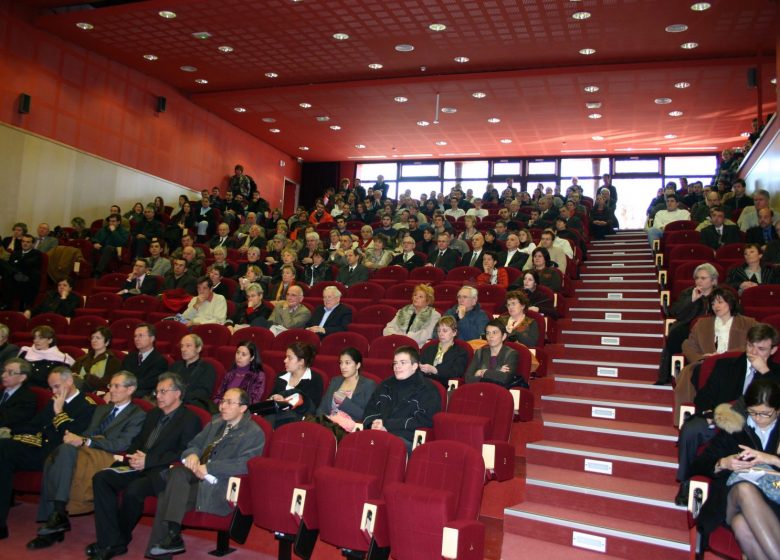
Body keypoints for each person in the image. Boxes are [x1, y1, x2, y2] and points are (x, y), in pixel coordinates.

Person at [27, 371, 145, 550]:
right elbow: (87, 432)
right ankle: (57, 517)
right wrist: (83, 439)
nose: (111, 390)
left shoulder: (138, 414)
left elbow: (122, 443)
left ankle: (57, 518)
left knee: (62, 453)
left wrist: (87, 441)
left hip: (108, 456)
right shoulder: (102, 408)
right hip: (88, 450)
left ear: (131, 389)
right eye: (110, 386)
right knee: (57, 455)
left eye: (116, 386)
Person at [89, 372, 201, 560]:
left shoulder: (190, 419)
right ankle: (109, 539)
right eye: (157, 391)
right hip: (137, 465)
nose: (158, 395)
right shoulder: (153, 414)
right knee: (101, 478)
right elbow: (139, 441)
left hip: (161, 472)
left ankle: (118, 541)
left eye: (163, 391)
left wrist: (148, 461)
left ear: (178, 393)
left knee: (134, 490)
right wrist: (133, 456)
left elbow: (183, 452)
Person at [145, 387, 264, 558]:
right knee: (177, 473)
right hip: (193, 475)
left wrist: (210, 467)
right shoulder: (215, 423)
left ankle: (169, 541)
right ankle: (173, 536)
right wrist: (192, 454)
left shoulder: (253, 432)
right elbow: (193, 444)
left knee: (166, 496)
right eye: (222, 401)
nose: (223, 406)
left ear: (243, 408)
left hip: (216, 484)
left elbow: (246, 464)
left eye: (229, 403)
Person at [675, 323, 780, 505]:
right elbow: (704, 396)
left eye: (761, 348)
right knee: (691, 429)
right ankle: (687, 481)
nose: (753, 352)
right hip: (720, 418)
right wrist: (711, 413)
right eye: (750, 346)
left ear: (773, 350)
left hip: (755, 425)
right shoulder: (725, 364)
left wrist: (764, 371)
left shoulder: (776, 374)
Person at [0, 366, 96, 541]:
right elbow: (35, 425)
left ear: (69, 382)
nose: (54, 391)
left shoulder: (87, 405)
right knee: (3, 451)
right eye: (51, 388)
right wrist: (11, 432)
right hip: (36, 447)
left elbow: (71, 435)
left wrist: (59, 411)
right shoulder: (54, 400)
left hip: (57, 453)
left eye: (57, 386)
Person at [691, 378, 780, 556]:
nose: (757, 418)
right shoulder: (736, 428)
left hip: (773, 502)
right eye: (752, 412)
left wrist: (769, 458)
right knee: (744, 489)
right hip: (732, 501)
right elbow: (699, 464)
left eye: (765, 414)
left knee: (741, 525)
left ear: (778, 410)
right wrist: (724, 463)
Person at [673, 288, 757, 419]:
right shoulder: (702, 323)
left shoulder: (748, 323)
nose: (716, 306)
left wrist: (724, 356)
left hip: (735, 364)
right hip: (705, 364)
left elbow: (755, 344)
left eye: (720, 302)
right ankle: (694, 416)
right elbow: (688, 345)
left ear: (730, 303)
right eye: (713, 304)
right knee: (693, 374)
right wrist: (701, 358)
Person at [363, 346, 442, 453]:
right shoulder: (386, 384)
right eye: (395, 363)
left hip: (406, 439)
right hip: (377, 433)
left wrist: (387, 425)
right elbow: (370, 409)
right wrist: (373, 424)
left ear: (414, 366)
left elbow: (424, 420)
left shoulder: (427, 390)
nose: (397, 367)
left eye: (403, 362)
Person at [655, 263, 720, 384]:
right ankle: (671, 375)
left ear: (713, 281)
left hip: (715, 329)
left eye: (703, 278)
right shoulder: (688, 293)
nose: (699, 281)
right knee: (675, 334)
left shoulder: (721, 295)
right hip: (689, 326)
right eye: (697, 278)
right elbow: (674, 312)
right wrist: (692, 300)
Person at [315, 348, 377, 431]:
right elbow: (322, 408)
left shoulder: (368, 385)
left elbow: (368, 416)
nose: (343, 367)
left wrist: (344, 402)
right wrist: (324, 421)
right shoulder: (335, 381)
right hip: (329, 426)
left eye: (347, 363)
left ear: (358, 365)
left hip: (352, 430)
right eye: (341, 363)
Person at [266, 342, 323, 427]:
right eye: (286, 357)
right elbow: (270, 400)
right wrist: (273, 398)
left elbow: (311, 409)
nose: (285, 360)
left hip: (299, 424)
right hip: (276, 419)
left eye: (289, 358)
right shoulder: (281, 376)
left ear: (301, 362)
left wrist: (284, 402)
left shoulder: (315, 379)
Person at [464, 319, 520, 387]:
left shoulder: (511, 354)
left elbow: (505, 379)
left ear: (504, 336)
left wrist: (482, 372)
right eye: (488, 333)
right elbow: (467, 378)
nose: (491, 336)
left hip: (498, 393)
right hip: (478, 390)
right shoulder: (480, 352)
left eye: (494, 332)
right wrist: (497, 372)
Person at [169, 334, 216, 411]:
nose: (183, 349)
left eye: (188, 346)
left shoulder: (207, 369)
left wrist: (177, 397)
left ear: (198, 348)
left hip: (189, 407)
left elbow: (202, 394)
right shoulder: (175, 366)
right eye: (182, 346)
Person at [418, 316, 469, 386]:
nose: (441, 334)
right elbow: (420, 365)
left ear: (454, 332)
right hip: (424, 383)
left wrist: (435, 370)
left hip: (444, 385)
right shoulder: (429, 348)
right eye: (439, 331)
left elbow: (456, 372)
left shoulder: (461, 352)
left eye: (445, 331)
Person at [121, 324, 168, 398]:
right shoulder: (129, 357)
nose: (137, 339)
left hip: (143, 397)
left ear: (152, 338)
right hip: (125, 392)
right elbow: (121, 376)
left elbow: (148, 384)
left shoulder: (160, 361)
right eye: (135, 336)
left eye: (140, 335)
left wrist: (124, 391)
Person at [71, 326, 122, 391]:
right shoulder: (82, 359)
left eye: (98, 338)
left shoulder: (114, 362)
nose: (94, 340)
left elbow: (108, 383)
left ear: (107, 342)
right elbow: (72, 372)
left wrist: (88, 377)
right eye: (92, 338)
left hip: (96, 392)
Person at [0, 234, 42, 311]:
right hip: (14, 278)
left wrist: (16, 265)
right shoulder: (16, 253)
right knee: (2, 263)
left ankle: (6, 303)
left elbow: (27, 264)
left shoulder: (36, 253)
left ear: (32, 244)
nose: (25, 243)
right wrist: (15, 271)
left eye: (28, 242)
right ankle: (6, 303)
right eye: (23, 241)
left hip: (27, 278)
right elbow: (10, 265)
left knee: (9, 273)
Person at [0, 358, 37, 432]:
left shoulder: (27, 398)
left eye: (10, 373)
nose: (3, 375)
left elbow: (7, 420)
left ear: (22, 378)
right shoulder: (1, 391)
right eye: (4, 371)